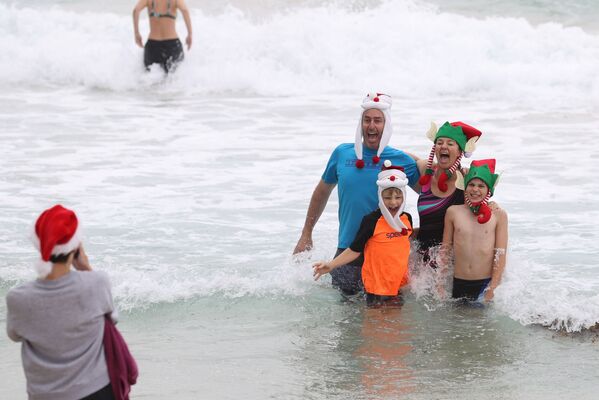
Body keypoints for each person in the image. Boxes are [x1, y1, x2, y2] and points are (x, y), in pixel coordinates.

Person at [294, 93, 419, 295]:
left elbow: (432, 194)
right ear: (360, 124)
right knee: (346, 319)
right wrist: (306, 233)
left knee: (386, 315)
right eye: (367, 120)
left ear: (386, 126)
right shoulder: (342, 153)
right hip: (348, 249)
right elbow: (321, 192)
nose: (371, 126)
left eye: (378, 121)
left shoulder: (401, 159)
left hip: (385, 250)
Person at [6, 205, 118, 400]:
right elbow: (113, 318)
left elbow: (14, 335)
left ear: (39, 245)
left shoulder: (18, 297)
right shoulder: (97, 283)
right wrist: (85, 267)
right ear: (75, 247)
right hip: (96, 392)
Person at [313, 161, 413, 307]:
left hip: (398, 286)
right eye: (387, 198)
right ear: (380, 196)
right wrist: (331, 265)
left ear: (404, 196)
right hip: (376, 289)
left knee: (397, 329)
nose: (393, 203)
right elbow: (355, 250)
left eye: (398, 197)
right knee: (374, 328)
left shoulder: (406, 220)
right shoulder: (371, 221)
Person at [414, 121, 482, 266]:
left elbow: (481, 215)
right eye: (439, 142)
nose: (443, 146)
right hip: (421, 266)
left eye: (450, 143)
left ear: (460, 151)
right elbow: (405, 159)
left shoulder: (467, 182)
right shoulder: (425, 170)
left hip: (451, 265)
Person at [441, 159, 508, 302]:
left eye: (481, 186)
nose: (475, 189)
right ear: (464, 186)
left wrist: (493, 287)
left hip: (484, 283)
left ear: (489, 190)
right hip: (458, 282)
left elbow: (500, 254)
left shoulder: (499, 215)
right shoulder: (453, 212)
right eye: (471, 184)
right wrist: (440, 283)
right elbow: (445, 250)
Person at [132, 0, 193, 72]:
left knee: (151, 79)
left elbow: (136, 10)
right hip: (172, 45)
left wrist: (137, 33)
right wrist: (190, 34)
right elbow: (185, 10)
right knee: (174, 80)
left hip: (153, 46)